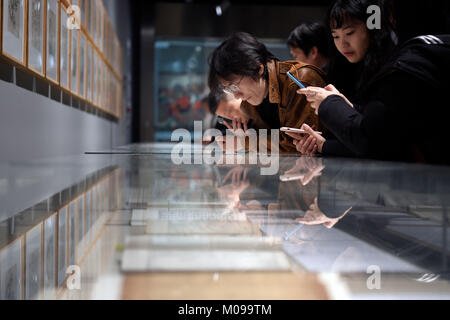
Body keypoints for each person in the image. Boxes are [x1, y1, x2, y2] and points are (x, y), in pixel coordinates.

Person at [288, 1, 450, 164]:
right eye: (335, 36)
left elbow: (375, 141)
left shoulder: (404, 66)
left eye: (350, 32)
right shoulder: (350, 68)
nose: (343, 43)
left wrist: (330, 104)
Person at [208, 32, 327, 153]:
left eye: (235, 86)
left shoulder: (299, 80)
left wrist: (245, 142)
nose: (236, 95)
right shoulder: (250, 102)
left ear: (258, 68)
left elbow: (297, 144)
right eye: (230, 89)